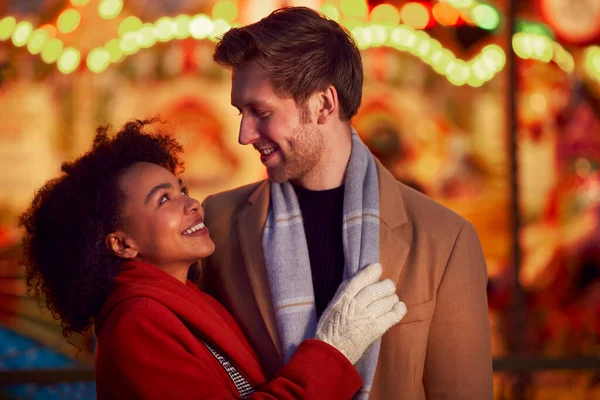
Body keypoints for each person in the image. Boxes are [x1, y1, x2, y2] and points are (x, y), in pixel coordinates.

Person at [203, 6, 493, 399]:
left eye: (261, 112)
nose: (243, 134)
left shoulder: (445, 238)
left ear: (323, 104)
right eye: (241, 112)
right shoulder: (218, 222)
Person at [19, 120, 407, 399]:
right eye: (163, 199)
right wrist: (333, 351)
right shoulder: (136, 324)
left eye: (181, 189)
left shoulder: (181, 300)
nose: (191, 203)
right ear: (122, 245)